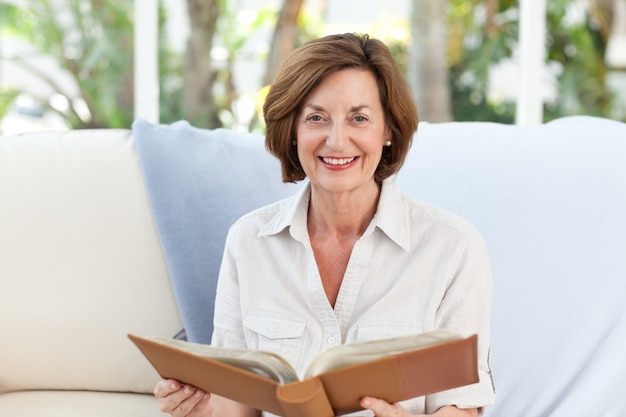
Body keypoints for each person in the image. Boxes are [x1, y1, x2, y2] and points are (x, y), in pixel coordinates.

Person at [154, 33, 495, 417]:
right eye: (316, 118)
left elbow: (462, 406)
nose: (336, 141)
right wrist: (199, 409)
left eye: (359, 118)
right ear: (294, 130)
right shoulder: (249, 241)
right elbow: (236, 406)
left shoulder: (453, 248)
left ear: (387, 131)